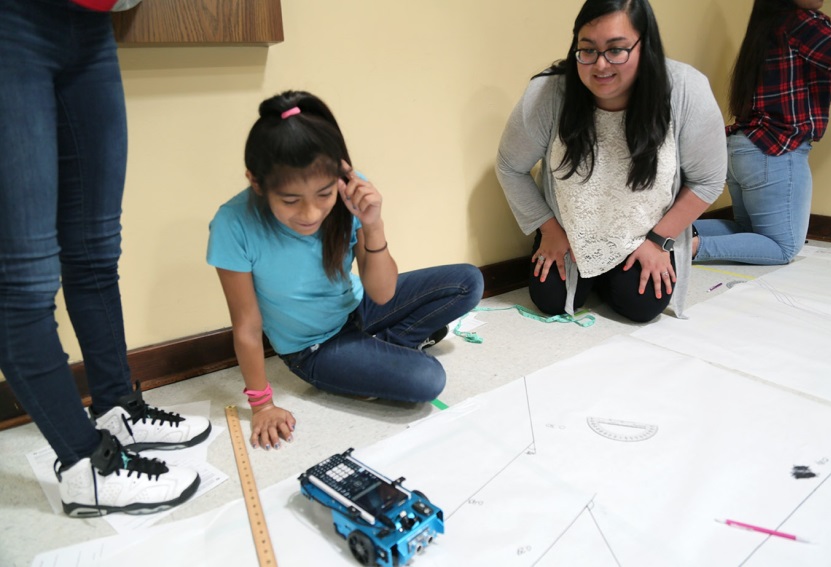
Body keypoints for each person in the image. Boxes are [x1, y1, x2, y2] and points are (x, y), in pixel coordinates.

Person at [0, 0, 211, 517]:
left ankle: (118, 409)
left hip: (93, 24)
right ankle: (86, 467)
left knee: (96, 249)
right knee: (25, 278)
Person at [207, 90, 484, 451]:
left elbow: (381, 293)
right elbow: (246, 325)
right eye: (290, 200)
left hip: (360, 307)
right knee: (428, 379)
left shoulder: (351, 194)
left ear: (339, 176)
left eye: (324, 195)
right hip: (314, 348)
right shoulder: (233, 224)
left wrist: (373, 224)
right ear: (256, 183)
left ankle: (378, 347)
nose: (310, 214)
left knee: (468, 281)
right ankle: (379, 351)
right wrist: (262, 405)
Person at [496, 0, 727, 323]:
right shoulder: (548, 92)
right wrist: (549, 230)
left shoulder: (686, 89)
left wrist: (659, 241)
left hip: (648, 228)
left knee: (643, 305)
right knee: (551, 299)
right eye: (587, 50)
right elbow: (510, 167)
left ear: (644, 45)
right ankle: (597, 271)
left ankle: (670, 247)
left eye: (616, 50)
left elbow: (709, 179)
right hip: (570, 225)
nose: (600, 66)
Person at [693, 0, 831, 265]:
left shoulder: (768, 27)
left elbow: (788, 94)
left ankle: (664, 236)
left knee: (747, 231)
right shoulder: (804, 21)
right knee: (784, 247)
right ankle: (685, 249)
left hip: (744, 147)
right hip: (774, 150)